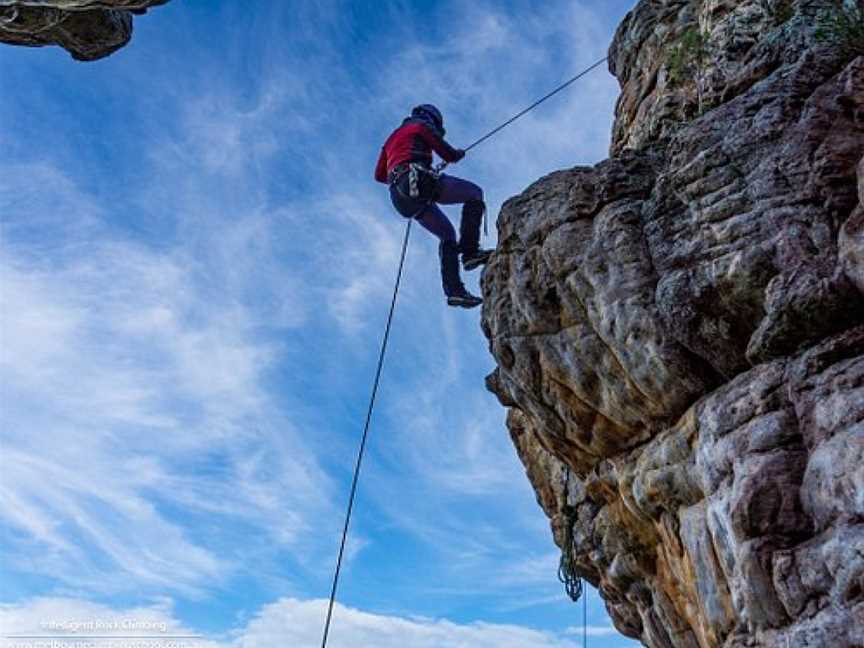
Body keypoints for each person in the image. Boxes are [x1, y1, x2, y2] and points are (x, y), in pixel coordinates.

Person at [375, 104, 493, 309]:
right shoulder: (420, 125)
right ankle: (470, 252)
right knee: (474, 194)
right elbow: (447, 153)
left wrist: (400, 175)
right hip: (417, 179)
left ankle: (455, 292)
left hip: (400, 197)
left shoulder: (391, 140)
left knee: (447, 234)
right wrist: (455, 155)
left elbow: (379, 175)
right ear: (432, 119)